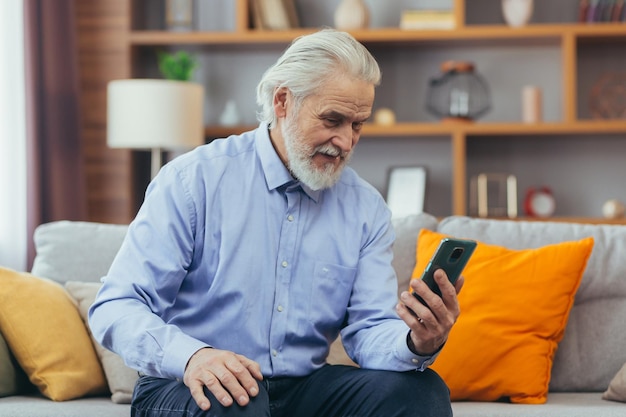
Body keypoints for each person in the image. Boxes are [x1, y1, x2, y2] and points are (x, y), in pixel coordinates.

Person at [89, 28, 463, 417]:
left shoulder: (365, 207)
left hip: (303, 387)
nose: (346, 142)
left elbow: (369, 330)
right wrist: (193, 356)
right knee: (233, 400)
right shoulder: (192, 181)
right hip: (188, 382)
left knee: (420, 392)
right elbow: (117, 305)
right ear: (283, 101)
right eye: (332, 119)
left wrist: (416, 342)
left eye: (357, 125)